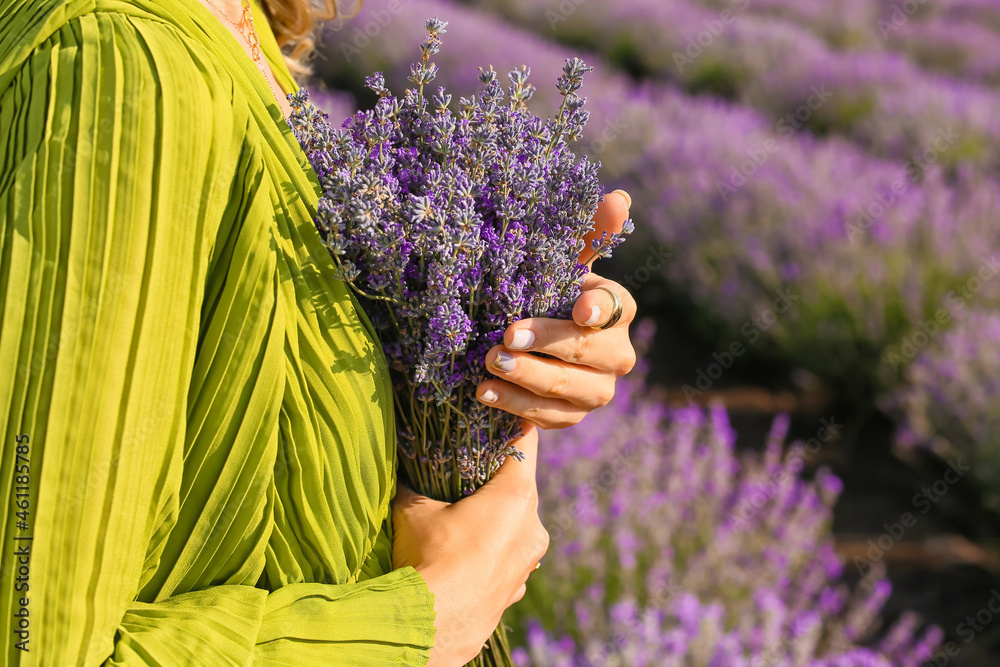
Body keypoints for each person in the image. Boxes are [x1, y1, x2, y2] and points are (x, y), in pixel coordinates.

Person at [0, 0, 637, 664]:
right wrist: (424, 621)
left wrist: (506, 323)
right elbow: (34, 646)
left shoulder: (239, 29)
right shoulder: (129, 74)